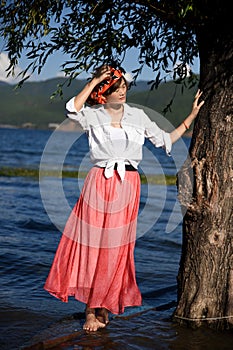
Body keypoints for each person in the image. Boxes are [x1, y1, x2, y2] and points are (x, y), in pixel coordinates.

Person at [44, 65, 204, 332]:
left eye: (123, 88)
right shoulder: (92, 115)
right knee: (93, 246)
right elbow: (71, 109)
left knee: (117, 249)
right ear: (103, 93)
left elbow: (166, 140)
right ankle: (90, 311)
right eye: (115, 89)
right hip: (99, 181)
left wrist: (191, 116)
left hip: (129, 184)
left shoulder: (138, 116)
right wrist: (94, 80)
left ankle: (103, 304)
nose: (122, 93)